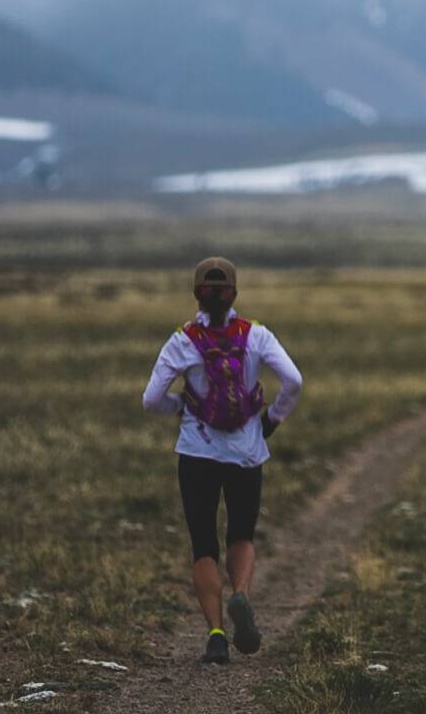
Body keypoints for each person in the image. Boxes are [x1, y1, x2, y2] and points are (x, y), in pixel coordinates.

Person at [142, 256, 304, 665]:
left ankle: (215, 636)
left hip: (197, 452)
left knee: (203, 546)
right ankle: (241, 596)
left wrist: (180, 405)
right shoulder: (257, 335)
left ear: (197, 293)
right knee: (242, 535)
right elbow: (294, 381)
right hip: (247, 450)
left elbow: (150, 400)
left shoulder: (183, 339)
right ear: (234, 291)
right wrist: (272, 418)